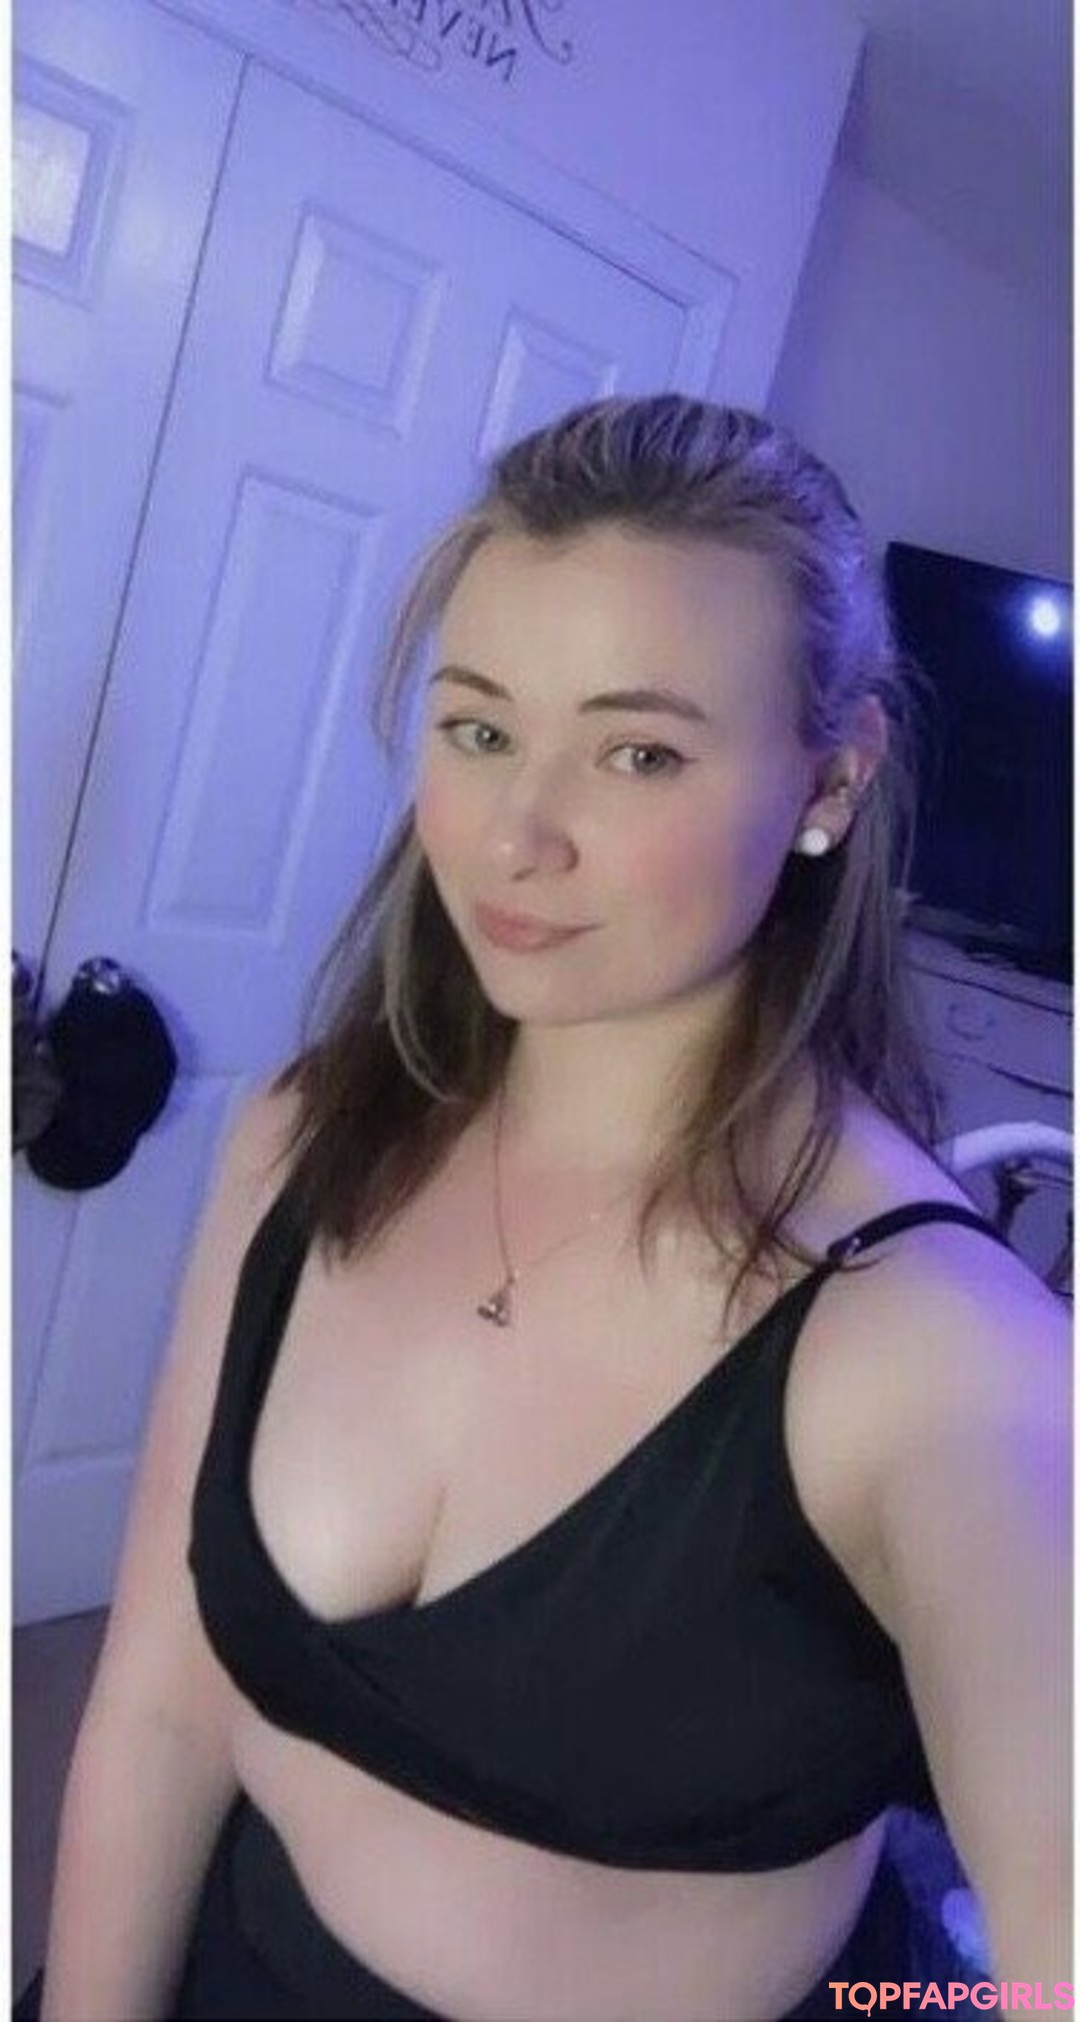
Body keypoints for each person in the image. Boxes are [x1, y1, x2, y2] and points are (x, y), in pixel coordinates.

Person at [35, 397, 1069, 2021]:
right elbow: (166, 1701)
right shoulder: (305, 1137)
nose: (516, 836)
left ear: (831, 779)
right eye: (479, 728)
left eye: (639, 751)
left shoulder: (939, 1353)